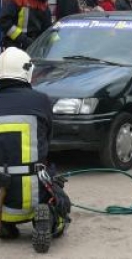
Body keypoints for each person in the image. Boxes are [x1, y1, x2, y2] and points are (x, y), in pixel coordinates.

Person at [0, 47, 71, 253]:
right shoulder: (40, 100)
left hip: (1, 194)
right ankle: (49, 217)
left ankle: (5, 223)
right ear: (27, 71)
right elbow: (48, 140)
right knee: (59, 199)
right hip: (32, 192)